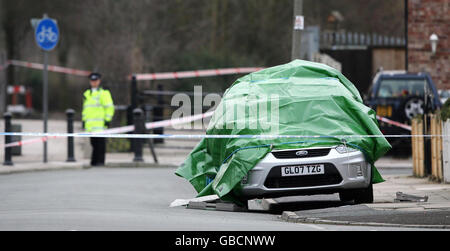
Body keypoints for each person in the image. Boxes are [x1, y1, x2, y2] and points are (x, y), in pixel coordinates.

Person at [82, 72, 115, 166]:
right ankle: (94, 161)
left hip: (100, 124)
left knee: (100, 144)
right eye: (92, 80)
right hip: (90, 125)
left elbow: (109, 107)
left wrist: (107, 120)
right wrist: (84, 121)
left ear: (99, 81)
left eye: (95, 80)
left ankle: (100, 162)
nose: (94, 82)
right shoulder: (87, 94)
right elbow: (85, 109)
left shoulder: (104, 93)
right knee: (93, 143)